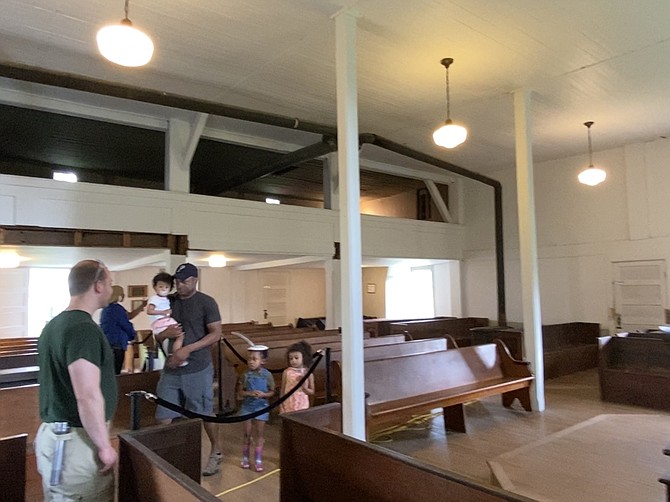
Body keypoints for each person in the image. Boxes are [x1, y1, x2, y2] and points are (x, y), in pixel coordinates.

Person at [35, 259, 117, 501]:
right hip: (76, 443)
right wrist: (104, 446)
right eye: (110, 283)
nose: (112, 289)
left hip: (57, 435)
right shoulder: (83, 328)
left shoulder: (54, 325)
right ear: (98, 285)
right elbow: (87, 394)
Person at [154, 263, 224, 476]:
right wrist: (165, 333)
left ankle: (216, 451)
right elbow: (157, 335)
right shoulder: (170, 301)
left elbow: (216, 333)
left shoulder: (206, 302)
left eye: (184, 281)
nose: (179, 285)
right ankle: (170, 457)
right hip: (171, 369)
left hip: (198, 367)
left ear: (195, 280)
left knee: (203, 412)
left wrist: (188, 349)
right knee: (164, 415)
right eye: (177, 281)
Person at [237, 345, 275, 472]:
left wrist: (264, 395)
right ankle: (245, 457)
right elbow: (240, 392)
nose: (251, 362)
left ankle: (258, 459)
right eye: (249, 359)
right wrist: (249, 393)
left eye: (254, 359)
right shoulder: (245, 374)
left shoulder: (267, 375)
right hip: (247, 407)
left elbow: (272, 391)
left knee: (259, 434)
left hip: (261, 407)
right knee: (247, 433)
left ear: (263, 361)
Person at [146, 272, 184, 364]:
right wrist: (163, 312)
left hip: (167, 320)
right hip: (161, 322)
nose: (163, 289)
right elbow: (149, 311)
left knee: (180, 335)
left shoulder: (167, 299)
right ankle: (174, 357)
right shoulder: (154, 298)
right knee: (171, 337)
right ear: (155, 287)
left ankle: (176, 355)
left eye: (166, 287)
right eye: (160, 286)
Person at [100, 285, 138, 374]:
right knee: (115, 372)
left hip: (107, 343)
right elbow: (125, 324)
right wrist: (132, 335)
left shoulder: (106, 309)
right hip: (116, 344)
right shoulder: (117, 309)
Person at [279, 340, 314, 414]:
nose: (293, 361)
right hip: (288, 401)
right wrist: (281, 403)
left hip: (301, 402)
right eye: (291, 358)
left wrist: (304, 388)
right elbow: (283, 389)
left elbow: (312, 391)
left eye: (296, 358)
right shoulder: (287, 372)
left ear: (303, 358)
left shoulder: (308, 373)